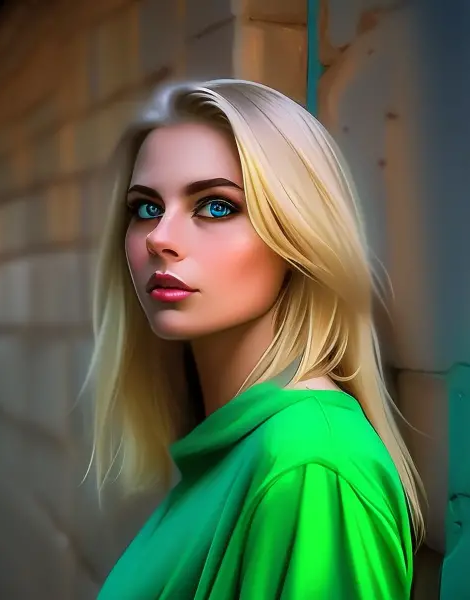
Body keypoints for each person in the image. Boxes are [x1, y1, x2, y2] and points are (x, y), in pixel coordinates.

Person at [85, 79, 424, 599]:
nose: (159, 238)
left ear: (298, 235)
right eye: (146, 208)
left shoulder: (312, 467)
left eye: (216, 206)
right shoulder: (238, 450)